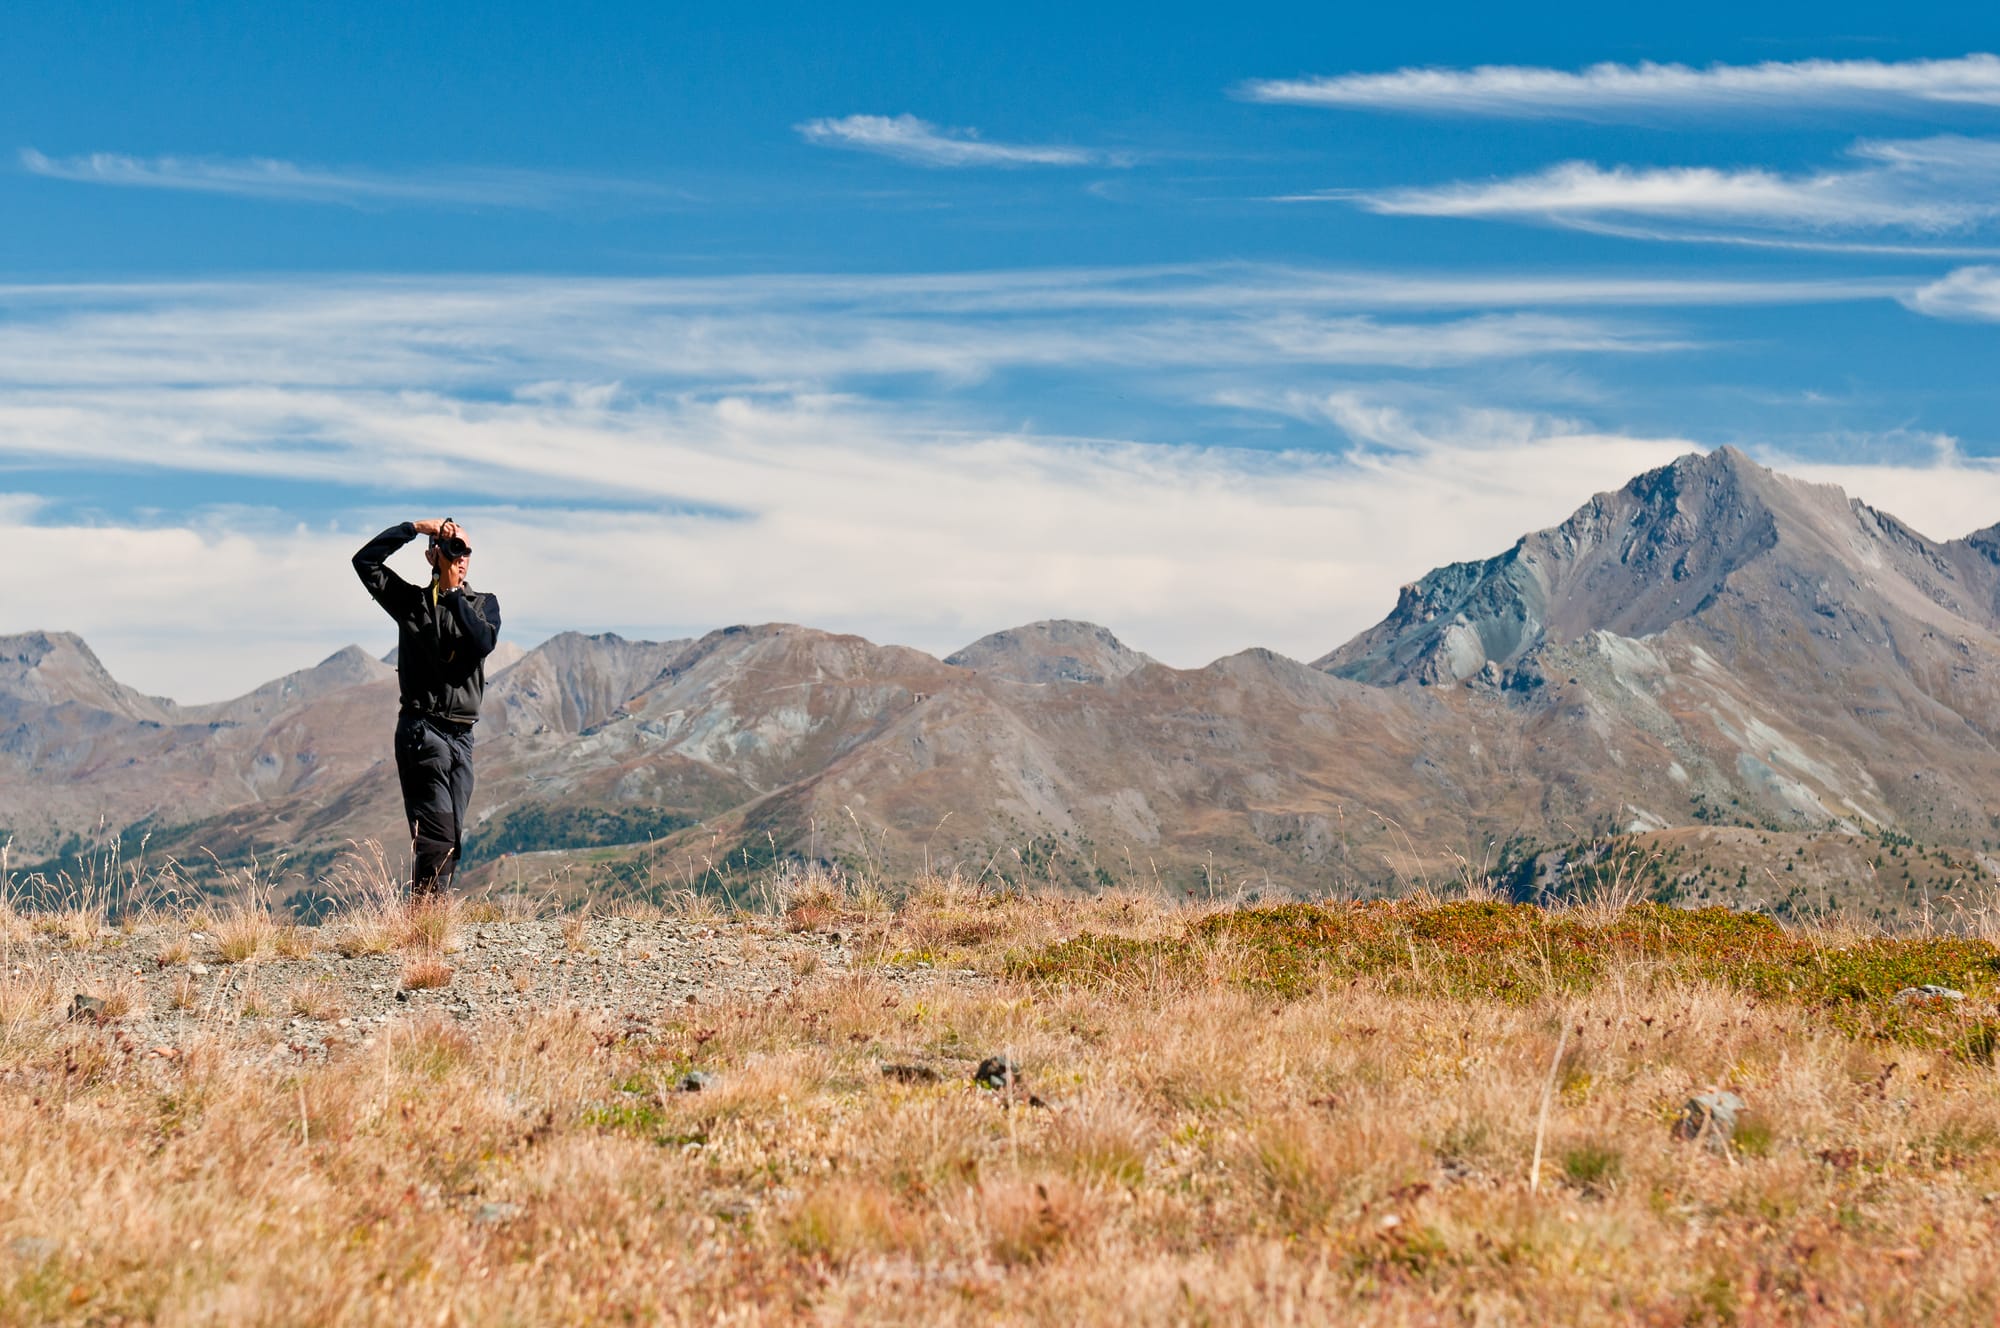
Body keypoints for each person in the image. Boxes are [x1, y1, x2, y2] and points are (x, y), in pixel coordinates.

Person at [352, 517, 502, 896]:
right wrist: (413, 527)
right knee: (436, 837)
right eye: (453, 548)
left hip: (462, 738)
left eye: (465, 549)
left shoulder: (484, 606)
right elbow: (365, 562)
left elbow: (482, 642)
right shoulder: (412, 603)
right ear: (432, 555)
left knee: (449, 839)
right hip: (423, 732)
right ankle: (426, 926)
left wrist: (453, 596)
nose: (460, 556)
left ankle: (424, 919)